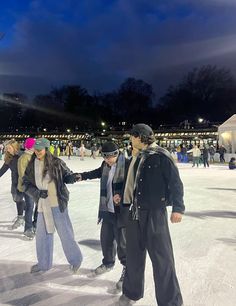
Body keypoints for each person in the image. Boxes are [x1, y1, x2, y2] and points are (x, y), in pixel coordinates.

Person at [119, 124, 184, 306]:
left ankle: (170, 302)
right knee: (133, 257)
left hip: (155, 214)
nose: (130, 140)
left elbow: (175, 183)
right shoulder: (136, 156)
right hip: (134, 212)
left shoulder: (161, 156)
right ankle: (131, 293)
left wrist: (178, 208)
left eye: (132, 137)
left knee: (162, 260)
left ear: (140, 137)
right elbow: (131, 182)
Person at [22, 138, 83, 273]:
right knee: (42, 236)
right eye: (36, 150)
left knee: (65, 233)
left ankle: (75, 260)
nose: (37, 152)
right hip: (43, 205)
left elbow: (66, 175)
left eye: (40, 149)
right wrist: (37, 193)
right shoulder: (31, 164)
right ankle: (44, 264)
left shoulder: (56, 163)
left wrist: (72, 178)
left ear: (46, 149)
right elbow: (25, 184)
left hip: (57, 203)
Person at [77, 141, 129, 290]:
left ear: (116, 153)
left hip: (121, 212)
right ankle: (108, 263)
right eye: (105, 158)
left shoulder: (126, 164)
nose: (107, 160)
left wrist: (121, 194)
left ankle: (127, 270)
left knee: (122, 243)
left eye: (109, 157)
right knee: (106, 239)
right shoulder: (105, 166)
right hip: (107, 210)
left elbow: (132, 185)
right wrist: (82, 176)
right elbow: (96, 173)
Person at [0, 139, 25, 229]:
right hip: (14, 182)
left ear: (14, 147)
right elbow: (2, 170)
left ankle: (21, 217)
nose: (7, 150)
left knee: (20, 199)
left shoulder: (22, 155)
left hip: (25, 182)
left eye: (9, 148)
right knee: (15, 197)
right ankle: (23, 208)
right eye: (6, 148)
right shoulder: (9, 158)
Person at [17, 137, 37, 239]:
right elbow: (22, 175)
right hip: (28, 187)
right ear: (30, 146)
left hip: (37, 186)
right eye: (34, 145)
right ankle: (28, 229)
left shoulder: (35, 156)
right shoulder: (24, 158)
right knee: (30, 207)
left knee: (39, 207)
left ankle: (35, 225)